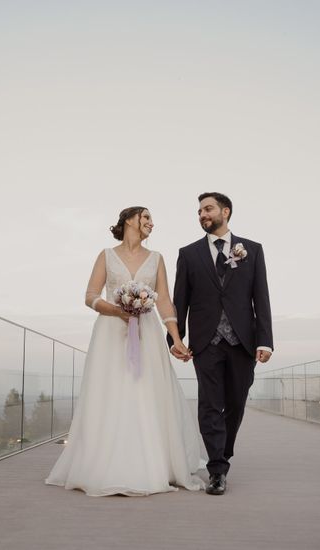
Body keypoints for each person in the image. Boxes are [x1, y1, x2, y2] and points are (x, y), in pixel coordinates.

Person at [45, 206, 205, 496]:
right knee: (111, 393)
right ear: (129, 220)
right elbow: (90, 296)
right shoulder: (106, 255)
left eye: (151, 220)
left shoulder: (157, 259)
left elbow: (165, 302)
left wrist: (176, 339)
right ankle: (105, 464)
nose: (151, 224)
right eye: (146, 218)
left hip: (147, 335)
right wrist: (118, 311)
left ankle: (150, 465)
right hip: (110, 335)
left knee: (146, 394)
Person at [168, 192, 274, 496]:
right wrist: (176, 339)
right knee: (209, 405)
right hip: (205, 341)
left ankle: (223, 452)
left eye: (208, 208)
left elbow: (261, 298)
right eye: (199, 210)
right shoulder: (188, 254)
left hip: (243, 340)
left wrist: (265, 340)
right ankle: (217, 469)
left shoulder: (252, 250)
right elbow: (181, 300)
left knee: (236, 404)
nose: (202, 214)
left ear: (225, 211)